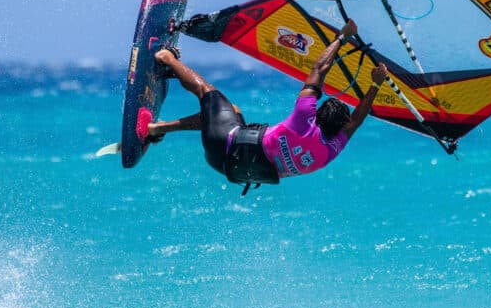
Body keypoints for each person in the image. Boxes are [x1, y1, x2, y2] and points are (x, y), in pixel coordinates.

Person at [139, 19, 388, 193]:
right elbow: (356, 120)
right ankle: (158, 129)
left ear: (318, 114)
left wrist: (342, 37)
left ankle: (167, 58)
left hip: (226, 143)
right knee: (232, 112)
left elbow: (319, 69)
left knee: (208, 93)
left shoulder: (304, 120)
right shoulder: (328, 154)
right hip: (229, 169)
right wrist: (376, 86)